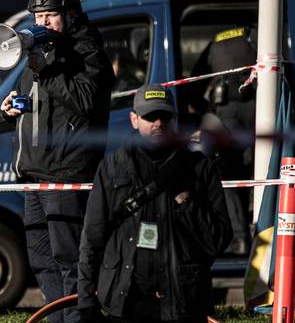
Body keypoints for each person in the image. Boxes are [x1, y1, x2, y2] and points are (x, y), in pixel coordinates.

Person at [0, 0, 115, 323]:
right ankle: (56, 318)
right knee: (40, 256)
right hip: (34, 169)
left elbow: (84, 101)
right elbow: (37, 100)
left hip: (65, 168)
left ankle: (79, 318)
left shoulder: (86, 49)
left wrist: (45, 71)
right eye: (38, 16)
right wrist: (14, 106)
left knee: (68, 256)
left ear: (70, 14)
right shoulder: (42, 52)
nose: (43, 23)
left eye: (50, 15)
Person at [77, 84, 232, 323]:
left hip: (182, 304)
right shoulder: (112, 167)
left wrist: (186, 201)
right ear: (134, 120)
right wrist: (86, 301)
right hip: (124, 302)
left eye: (165, 116)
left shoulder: (199, 168)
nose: (158, 123)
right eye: (150, 116)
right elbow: (92, 237)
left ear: (175, 119)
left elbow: (219, 240)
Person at [187, 26, 258, 255]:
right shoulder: (254, 34)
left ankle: (241, 239)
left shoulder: (215, 41)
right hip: (259, 109)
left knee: (230, 178)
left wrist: (205, 110)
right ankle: (264, 232)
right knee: (261, 175)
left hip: (225, 114)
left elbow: (194, 85)